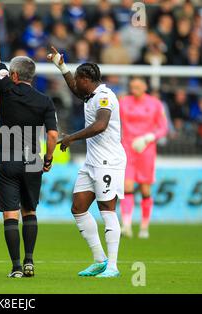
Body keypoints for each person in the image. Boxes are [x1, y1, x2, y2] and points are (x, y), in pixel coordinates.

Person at [0, 12, 58, 278]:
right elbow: (52, 135)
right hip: (32, 160)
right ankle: (29, 261)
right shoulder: (45, 101)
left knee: (10, 215)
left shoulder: (6, 87)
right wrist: (47, 159)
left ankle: (15, 267)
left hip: (6, 158)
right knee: (30, 211)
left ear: (14, 75)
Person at [48, 46, 126, 278]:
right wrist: (61, 66)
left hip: (108, 161)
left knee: (107, 210)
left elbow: (100, 125)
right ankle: (100, 260)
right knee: (78, 208)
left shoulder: (104, 97)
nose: (76, 85)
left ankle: (112, 266)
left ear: (86, 79)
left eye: (78, 79)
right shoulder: (90, 94)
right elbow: (74, 89)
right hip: (92, 162)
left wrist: (71, 137)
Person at [119, 78, 168, 239]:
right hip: (128, 148)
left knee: (145, 188)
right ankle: (126, 224)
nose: (135, 89)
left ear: (145, 87)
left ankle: (144, 226)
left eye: (138, 86)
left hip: (146, 150)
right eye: (132, 86)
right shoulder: (124, 102)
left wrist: (149, 137)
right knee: (127, 186)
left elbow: (163, 128)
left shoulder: (155, 104)